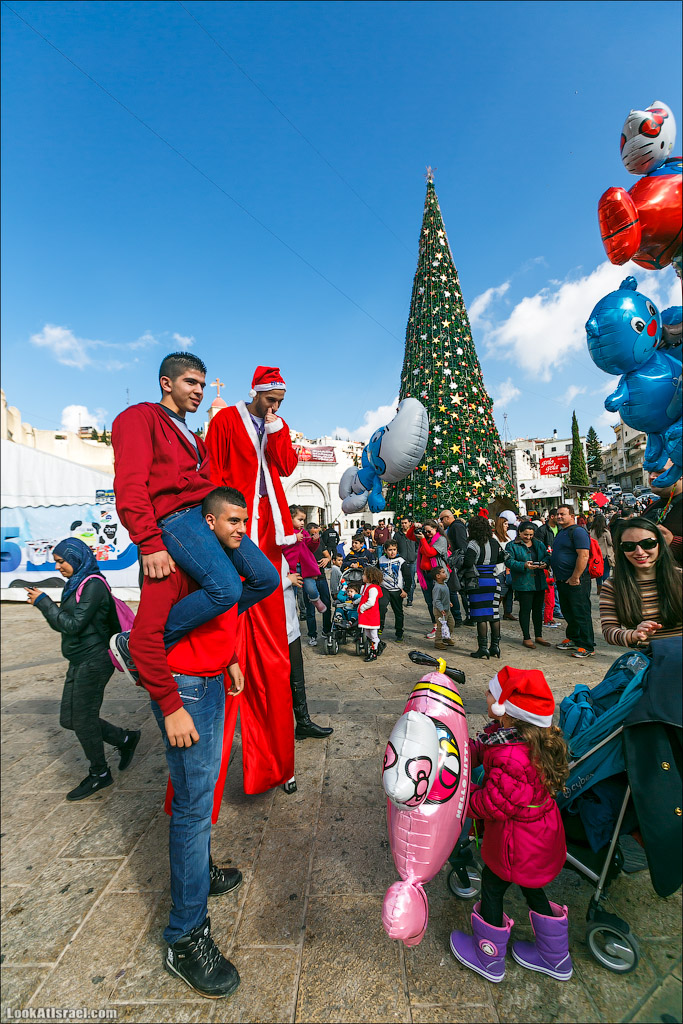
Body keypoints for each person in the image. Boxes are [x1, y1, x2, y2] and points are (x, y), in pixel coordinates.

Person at [143, 487, 278, 999]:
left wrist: (229, 659)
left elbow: (255, 587)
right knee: (194, 807)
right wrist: (171, 705)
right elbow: (145, 640)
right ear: (204, 522)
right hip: (186, 691)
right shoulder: (173, 568)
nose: (243, 529)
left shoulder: (219, 568)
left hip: (211, 680)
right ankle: (184, 936)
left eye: (246, 520)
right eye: (234, 520)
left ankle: (199, 875)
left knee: (201, 799)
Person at [110, 352, 245, 675]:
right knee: (227, 588)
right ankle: (141, 644)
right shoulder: (139, 418)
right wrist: (150, 542)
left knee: (262, 579)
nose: (200, 390)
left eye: (202, 383)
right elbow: (130, 484)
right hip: (173, 523)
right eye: (191, 382)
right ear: (166, 383)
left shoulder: (196, 442)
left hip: (201, 522)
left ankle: (193, 640)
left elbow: (208, 489)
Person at [205, 366, 299, 793]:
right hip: (237, 528)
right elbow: (212, 475)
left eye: (280, 399)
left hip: (270, 531)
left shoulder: (276, 425)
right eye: (270, 398)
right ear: (257, 392)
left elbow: (287, 464)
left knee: (275, 651)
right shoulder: (226, 420)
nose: (275, 404)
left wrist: (276, 426)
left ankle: (278, 762)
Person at [450, 666, 571, 984]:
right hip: (534, 838)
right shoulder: (510, 738)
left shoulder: (514, 758)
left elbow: (492, 804)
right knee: (533, 889)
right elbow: (483, 750)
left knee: (491, 888)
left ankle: (487, 958)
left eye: (491, 692)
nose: (486, 694)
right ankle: (555, 958)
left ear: (508, 710)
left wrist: (460, 796)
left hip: (516, 845)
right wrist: (459, 753)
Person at [26, 539, 140, 801]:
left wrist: (44, 603)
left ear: (76, 559)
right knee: (68, 719)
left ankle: (100, 773)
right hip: (79, 660)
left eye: (61, 561)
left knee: (83, 719)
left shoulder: (93, 585)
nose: (58, 567)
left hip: (95, 661)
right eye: (56, 561)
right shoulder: (77, 583)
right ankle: (124, 739)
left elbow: (74, 625)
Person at [599, 518, 682, 648]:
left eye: (648, 543)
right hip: (649, 661)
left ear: (660, 543)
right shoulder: (613, 586)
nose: (639, 552)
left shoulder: (680, 578)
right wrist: (633, 634)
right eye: (629, 546)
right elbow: (609, 631)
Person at [282, 568, 333, 744]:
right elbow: (260, 586)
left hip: (291, 627)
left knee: (297, 679)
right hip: (275, 630)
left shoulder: (285, 553)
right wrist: (288, 580)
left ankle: (303, 722)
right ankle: (279, 729)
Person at [550, 505, 595, 659]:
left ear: (572, 515)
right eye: (557, 514)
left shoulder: (578, 532)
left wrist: (575, 576)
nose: (559, 517)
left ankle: (587, 645)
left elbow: (583, 556)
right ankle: (574, 638)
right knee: (569, 611)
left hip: (577, 580)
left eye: (563, 514)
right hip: (563, 580)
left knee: (581, 612)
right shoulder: (561, 532)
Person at [463, 516, 506, 660]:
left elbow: (468, 562)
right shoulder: (494, 542)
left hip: (478, 581)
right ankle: (495, 646)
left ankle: (482, 649)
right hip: (494, 581)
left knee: (481, 615)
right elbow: (501, 558)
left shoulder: (473, 544)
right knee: (494, 614)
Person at [505, 522, 552, 650]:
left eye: (531, 534)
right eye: (526, 534)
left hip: (539, 581)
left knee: (538, 610)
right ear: (519, 532)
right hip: (523, 582)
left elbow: (547, 557)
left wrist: (544, 563)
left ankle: (539, 635)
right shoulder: (512, 545)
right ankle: (526, 637)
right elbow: (509, 561)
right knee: (525, 610)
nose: (528, 537)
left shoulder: (538, 544)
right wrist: (524, 565)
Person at [407, 520, 449, 639]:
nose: (427, 533)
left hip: (437, 576)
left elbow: (430, 552)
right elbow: (409, 536)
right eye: (425, 531)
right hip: (425, 575)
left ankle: (443, 626)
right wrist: (414, 527)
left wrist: (423, 539)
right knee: (430, 602)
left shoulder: (441, 540)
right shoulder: (424, 538)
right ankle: (435, 626)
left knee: (438, 602)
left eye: (429, 531)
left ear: (436, 529)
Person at [283, 507, 327, 613]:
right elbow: (281, 546)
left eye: (303, 520)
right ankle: (291, 611)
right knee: (291, 592)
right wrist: (294, 538)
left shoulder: (304, 532)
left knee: (311, 588)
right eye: (300, 519)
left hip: (305, 567)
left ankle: (316, 600)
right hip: (291, 568)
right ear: (290, 518)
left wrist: (314, 541)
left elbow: (310, 548)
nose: (303, 523)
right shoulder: (285, 532)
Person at [642, 463, 682, 566]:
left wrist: (673, 542)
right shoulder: (651, 508)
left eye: (660, 472)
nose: (651, 477)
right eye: (650, 472)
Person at [439, 508, 469, 626]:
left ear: (447, 517)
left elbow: (462, 545)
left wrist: (460, 560)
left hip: (458, 562)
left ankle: (467, 616)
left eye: (442, 519)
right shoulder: (452, 527)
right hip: (456, 561)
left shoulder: (456, 526)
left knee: (461, 591)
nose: (441, 521)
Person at [378, 539, 410, 642]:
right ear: (385, 550)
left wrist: (406, 590)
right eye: (390, 550)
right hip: (384, 588)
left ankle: (399, 632)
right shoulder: (381, 559)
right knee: (381, 606)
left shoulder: (401, 561)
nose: (392, 552)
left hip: (397, 590)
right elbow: (376, 573)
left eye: (394, 549)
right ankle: (380, 627)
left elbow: (408, 577)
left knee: (398, 612)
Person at [358, 565, 384, 662]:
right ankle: (379, 644)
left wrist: (362, 607)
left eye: (364, 575)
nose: (362, 576)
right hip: (366, 614)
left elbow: (371, 602)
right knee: (367, 633)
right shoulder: (365, 587)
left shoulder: (373, 588)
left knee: (373, 634)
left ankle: (374, 652)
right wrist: (356, 602)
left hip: (371, 615)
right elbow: (363, 597)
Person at [493, 515, 515, 622]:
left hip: (508, 566)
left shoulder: (507, 536)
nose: (507, 526)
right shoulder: (495, 537)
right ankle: (495, 610)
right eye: (505, 524)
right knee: (502, 589)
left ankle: (508, 612)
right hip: (500, 567)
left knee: (509, 590)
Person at [393, 516, 419, 605]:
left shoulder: (414, 534)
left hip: (412, 561)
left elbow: (418, 546)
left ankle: (410, 599)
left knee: (410, 581)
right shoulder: (397, 535)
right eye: (402, 523)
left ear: (409, 523)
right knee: (401, 580)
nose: (404, 525)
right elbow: (394, 546)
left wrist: (415, 554)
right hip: (401, 561)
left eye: (405, 523)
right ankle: (400, 597)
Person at [590, 513, 614, 596]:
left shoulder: (592, 531)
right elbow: (610, 542)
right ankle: (606, 589)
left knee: (598, 572)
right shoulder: (605, 532)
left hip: (595, 555)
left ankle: (599, 588)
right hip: (605, 555)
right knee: (606, 573)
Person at [432, 566, 456, 650]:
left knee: (451, 624)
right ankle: (438, 641)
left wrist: (448, 602)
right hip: (440, 611)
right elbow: (437, 600)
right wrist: (441, 609)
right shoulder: (437, 587)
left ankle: (446, 637)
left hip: (447, 610)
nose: (445, 573)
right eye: (443, 572)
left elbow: (445, 596)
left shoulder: (445, 584)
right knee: (440, 626)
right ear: (438, 576)